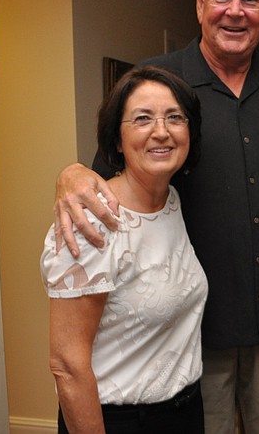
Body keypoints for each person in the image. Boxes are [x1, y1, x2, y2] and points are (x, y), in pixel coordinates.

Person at [53, 0, 259, 433]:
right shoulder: (156, 84)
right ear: (200, 3)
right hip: (187, 334)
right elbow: (106, 176)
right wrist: (69, 174)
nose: (235, 11)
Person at [41, 66, 207, 433]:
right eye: (143, 118)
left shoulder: (170, 201)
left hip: (182, 412)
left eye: (174, 117)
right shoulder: (91, 222)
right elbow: (67, 364)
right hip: (121, 421)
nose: (161, 131)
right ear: (117, 139)